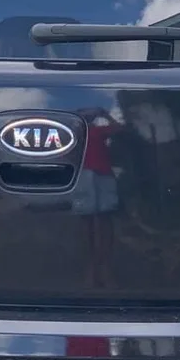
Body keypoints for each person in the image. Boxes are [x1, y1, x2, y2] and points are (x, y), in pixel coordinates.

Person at [72, 108, 122, 287]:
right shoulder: (73, 133)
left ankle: (105, 267)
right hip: (83, 175)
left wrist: (104, 114)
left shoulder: (98, 130)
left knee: (105, 219)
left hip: (102, 174)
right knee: (87, 222)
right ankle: (92, 267)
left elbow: (119, 129)